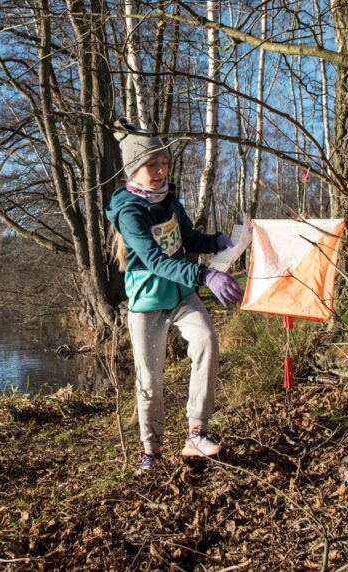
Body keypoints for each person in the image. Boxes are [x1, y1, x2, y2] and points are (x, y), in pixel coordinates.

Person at [105, 123, 244, 472]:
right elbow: (155, 260)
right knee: (150, 381)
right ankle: (150, 451)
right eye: (153, 165)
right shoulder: (128, 211)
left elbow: (188, 240)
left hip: (182, 296)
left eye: (164, 163)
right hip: (148, 305)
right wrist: (204, 274)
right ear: (135, 169)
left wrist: (216, 242)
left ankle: (197, 432)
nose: (161, 171)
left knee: (207, 340)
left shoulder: (169, 200)